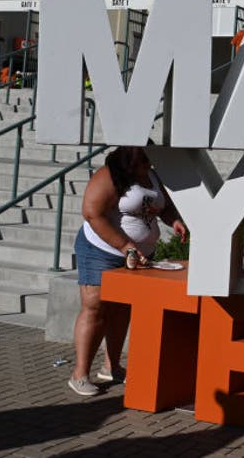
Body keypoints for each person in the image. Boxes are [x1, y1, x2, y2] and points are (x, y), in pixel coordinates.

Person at [70, 147, 187, 396]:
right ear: (130, 159)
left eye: (150, 159)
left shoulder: (153, 176)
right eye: (144, 159)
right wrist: (125, 246)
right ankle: (80, 374)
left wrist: (174, 220)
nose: (148, 163)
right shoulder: (108, 176)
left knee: (122, 308)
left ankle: (111, 366)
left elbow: (162, 207)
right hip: (102, 250)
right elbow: (92, 213)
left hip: (139, 255)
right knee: (95, 306)